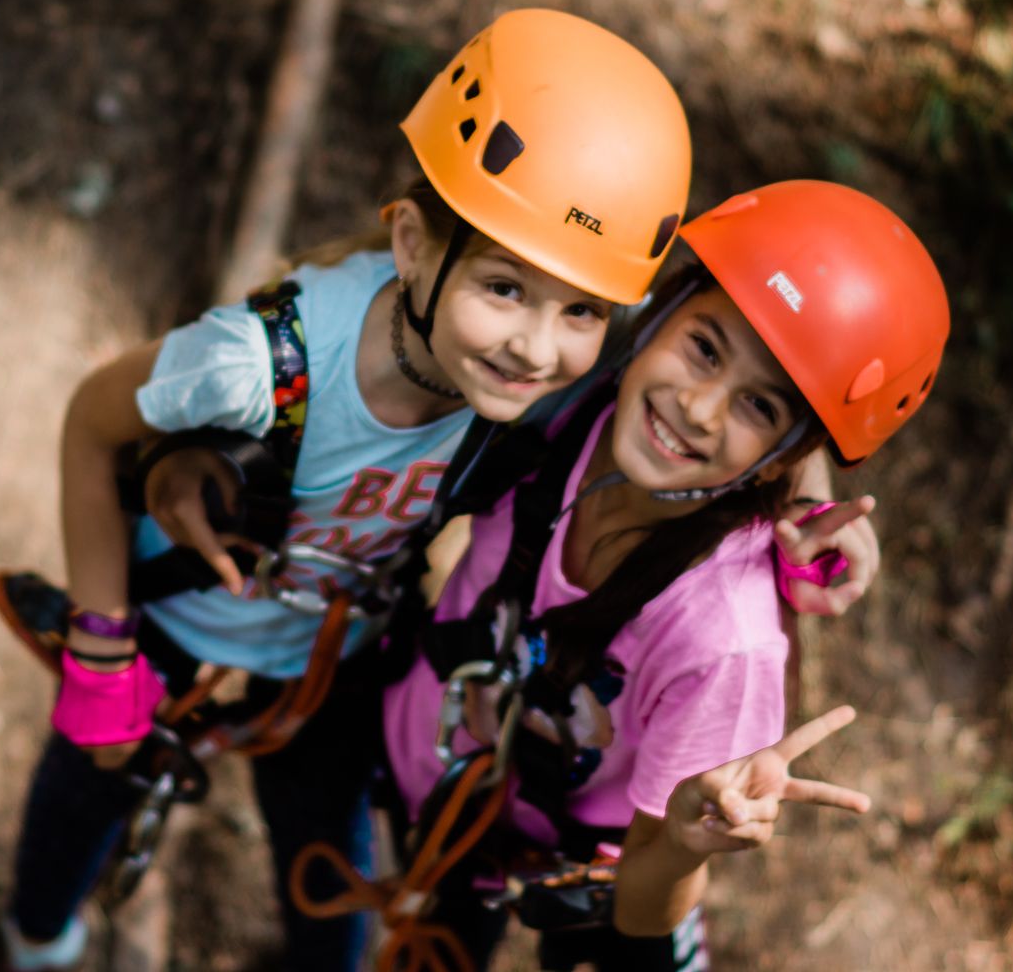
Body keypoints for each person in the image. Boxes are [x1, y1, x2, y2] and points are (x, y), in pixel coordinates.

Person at [0, 7, 701, 972]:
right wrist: (99, 645)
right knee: (78, 809)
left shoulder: (547, 394)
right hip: (171, 624)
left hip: (334, 661)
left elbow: (724, 374)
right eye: (504, 288)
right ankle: (37, 944)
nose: (539, 347)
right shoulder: (261, 363)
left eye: (582, 309)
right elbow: (92, 422)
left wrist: (808, 493)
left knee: (327, 875)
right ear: (412, 243)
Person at [366, 179, 950, 970]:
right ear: (661, 309)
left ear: (787, 449)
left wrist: (682, 847)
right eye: (703, 348)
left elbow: (643, 913)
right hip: (441, 784)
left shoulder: (724, 641)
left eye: (759, 409)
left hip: (589, 873)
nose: (700, 409)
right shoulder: (561, 386)